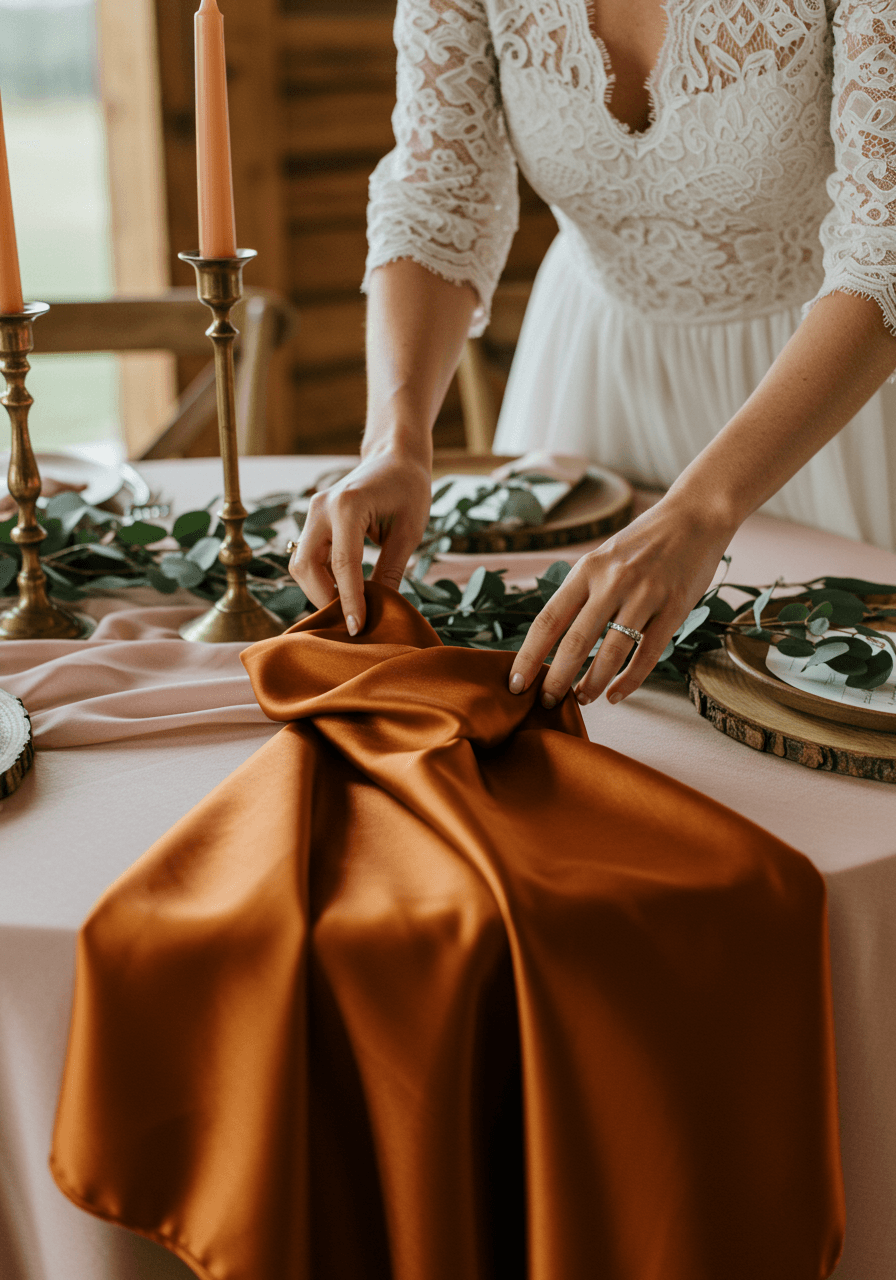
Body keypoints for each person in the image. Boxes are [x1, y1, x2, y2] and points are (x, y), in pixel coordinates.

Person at [291, 0, 896, 712]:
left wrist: (703, 509)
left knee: (824, 703)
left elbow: (884, 247)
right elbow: (435, 201)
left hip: (830, 384)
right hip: (588, 370)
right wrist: (394, 441)